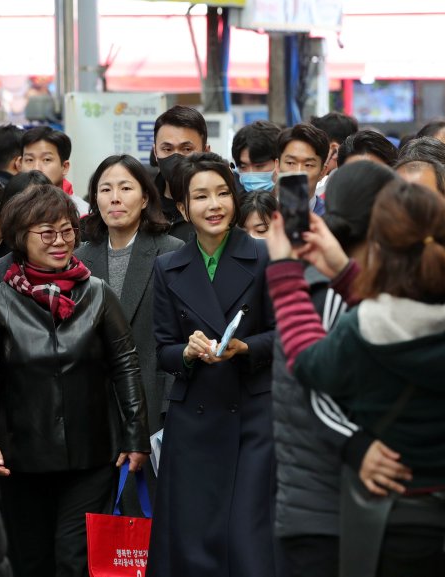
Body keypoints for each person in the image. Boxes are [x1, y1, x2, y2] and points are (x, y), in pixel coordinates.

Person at [266, 180, 445, 576]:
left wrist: (284, 272)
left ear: (379, 247)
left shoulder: (362, 329)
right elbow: (406, 318)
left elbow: (307, 360)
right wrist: (341, 270)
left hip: (404, 531)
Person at [0, 185, 150, 577]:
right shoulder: (1, 300)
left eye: (67, 231)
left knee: (74, 559)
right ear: (20, 238)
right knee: (30, 560)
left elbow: (126, 365)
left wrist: (135, 435)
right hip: (21, 459)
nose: (61, 241)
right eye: (46, 233)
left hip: (91, 455)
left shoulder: (96, 293)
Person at [272, 161, 408, 577]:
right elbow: (317, 382)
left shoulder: (342, 281)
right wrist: (358, 445)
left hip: (327, 505)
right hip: (331, 506)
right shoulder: (326, 292)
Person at [148, 152, 280, 577]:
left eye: (223, 193)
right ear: (184, 207)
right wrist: (186, 352)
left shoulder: (263, 256)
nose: (214, 204)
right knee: (191, 540)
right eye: (201, 196)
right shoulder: (168, 266)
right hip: (194, 421)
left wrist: (244, 347)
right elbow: (162, 349)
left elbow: (288, 333)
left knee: (249, 539)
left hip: (254, 416)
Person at [75, 154, 184, 510]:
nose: (115, 198)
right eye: (105, 189)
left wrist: (169, 410)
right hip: (93, 412)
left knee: (148, 519)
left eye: (125, 187)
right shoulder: (79, 259)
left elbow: (179, 335)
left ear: (146, 197)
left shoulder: (171, 253)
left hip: (153, 407)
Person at [152, 105, 211, 242]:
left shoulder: (218, 207)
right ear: (155, 152)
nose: (176, 157)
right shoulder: (141, 206)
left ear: (206, 152)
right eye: (167, 149)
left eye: (187, 149)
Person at [19, 126, 89, 216]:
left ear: (64, 167)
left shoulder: (83, 214)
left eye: (46, 160)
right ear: (20, 165)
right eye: (29, 160)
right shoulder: (9, 209)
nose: (36, 168)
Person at [276, 124, 329, 216]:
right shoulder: (261, 216)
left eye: (308, 165)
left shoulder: (332, 221)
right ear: (277, 166)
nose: (298, 172)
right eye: (290, 163)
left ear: (323, 172)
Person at [231, 120, 281, 194]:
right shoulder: (232, 202)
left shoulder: (298, 202)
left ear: (279, 163)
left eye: (259, 166)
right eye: (243, 167)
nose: (251, 175)